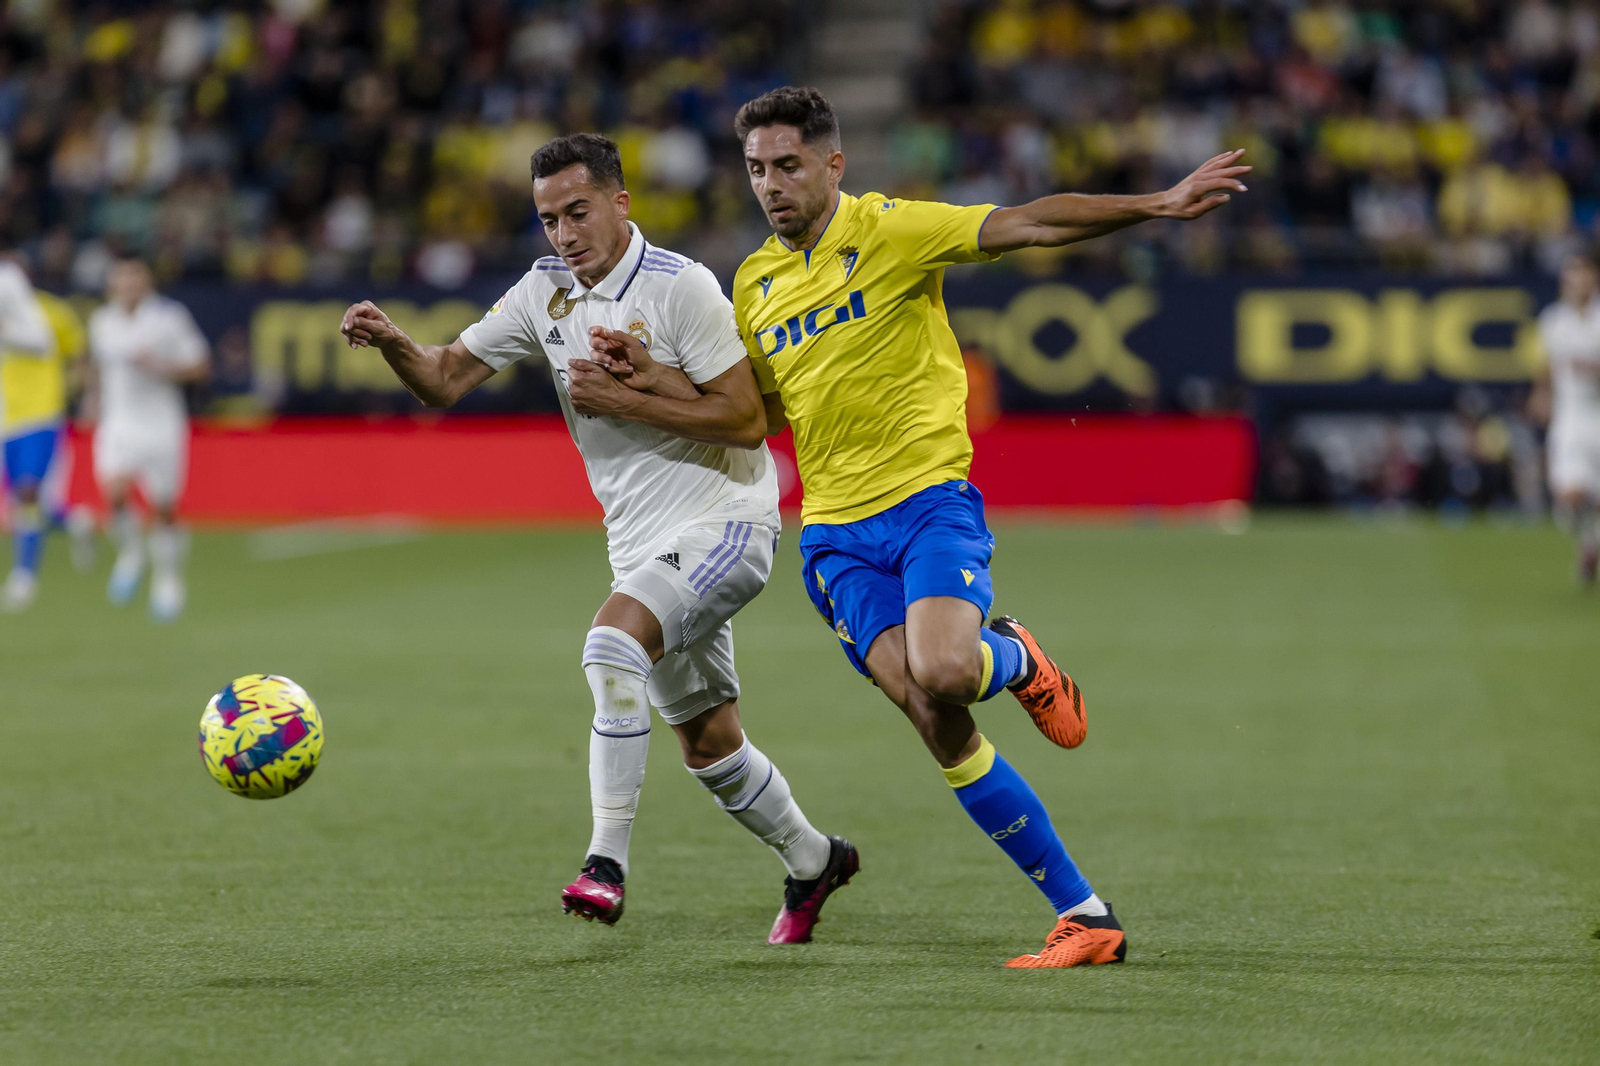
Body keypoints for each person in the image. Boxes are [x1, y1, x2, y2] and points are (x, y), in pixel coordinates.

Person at [587, 86, 1247, 968]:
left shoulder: (894, 231)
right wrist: (649, 376)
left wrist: (1158, 204)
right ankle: (1085, 915)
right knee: (936, 718)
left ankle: (1012, 654)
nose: (771, 185)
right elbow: (752, 416)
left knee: (947, 667)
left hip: (928, 500)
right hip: (833, 536)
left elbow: (1030, 225)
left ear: (833, 163)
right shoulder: (755, 282)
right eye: (755, 170)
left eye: (787, 165)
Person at [340, 134, 856, 943]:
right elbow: (444, 379)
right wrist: (398, 344)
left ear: (620, 203)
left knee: (611, 645)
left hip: (725, 520)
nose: (564, 234)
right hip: (639, 543)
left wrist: (634, 400)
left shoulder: (681, 286)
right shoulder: (545, 291)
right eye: (548, 219)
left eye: (578, 212)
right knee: (710, 745)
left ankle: (605, 865)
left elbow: (748, 420)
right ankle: (814, 857)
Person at [85, 257, 210, 621]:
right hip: (118, 423)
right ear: (113, 282)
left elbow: (201, 366)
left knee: (164, 508)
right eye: (120, 277)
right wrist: (92, 401)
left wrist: (161, 366)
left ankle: (168, 579)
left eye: (134, 276)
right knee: (115, 493)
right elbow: (97, 366)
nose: (127, 283)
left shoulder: (169, 318)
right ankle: (131, 555)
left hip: (161, 424)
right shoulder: (102, 320)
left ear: (146, 280)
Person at [1532, 252, 1600, 585]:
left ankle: (1591, 545)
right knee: (1569, 498)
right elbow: (1546, 365)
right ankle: (1590, 540)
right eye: (1570, 273)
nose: (1575, 280)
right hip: (1570, 418)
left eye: (1581, 272)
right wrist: (1541, 394)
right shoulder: (1553, 320)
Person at [0, 254, 57, 611]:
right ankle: (75, 520)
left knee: (28, 490)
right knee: (19, 500)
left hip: (39, 412)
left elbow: (43, 343)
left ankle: (25, 572)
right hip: (7, 417)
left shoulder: (20, 294)